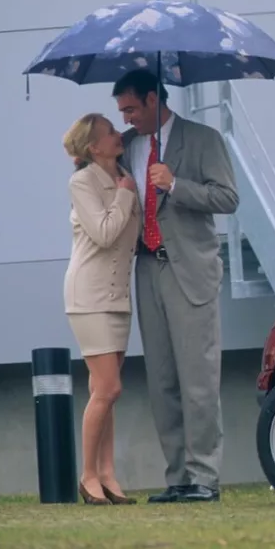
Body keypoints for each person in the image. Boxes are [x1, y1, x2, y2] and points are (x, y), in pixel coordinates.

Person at [113, 69, 239, 503]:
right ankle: (178, 478)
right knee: (161, 381)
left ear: (153, 99)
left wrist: (176, 185)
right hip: (146, 269)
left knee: (198, 380)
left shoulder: (202, 139)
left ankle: (205, 476)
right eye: (121, 111)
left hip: (190, 271)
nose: (126, 118)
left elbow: (227, 197)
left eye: (131, 108)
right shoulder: (128, 147)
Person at [62, 113, 140, 506]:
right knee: (109, 387)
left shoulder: (124, 175)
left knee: (103, 392)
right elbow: (106, 234)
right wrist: (126, 194)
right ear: (94, 146)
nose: (118, 134)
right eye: (110, 132)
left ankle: (108, 475)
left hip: (118, 299)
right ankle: (88, 475)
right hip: (88, 295)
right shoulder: (83, 181)